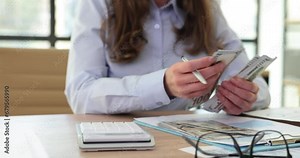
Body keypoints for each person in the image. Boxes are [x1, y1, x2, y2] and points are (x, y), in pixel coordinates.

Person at [65, 0, 270, 115]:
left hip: (183, 141)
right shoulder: (98, 4)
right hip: (117, 140)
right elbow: (80, 93)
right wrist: (163, 84)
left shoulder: (206, 7)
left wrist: (248, 96)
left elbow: (254, 82)